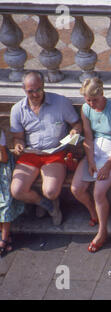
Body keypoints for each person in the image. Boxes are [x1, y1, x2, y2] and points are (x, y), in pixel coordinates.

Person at [10, 71, 81, 226]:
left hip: (54, 153)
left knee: (51, 191)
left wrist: (75, 131)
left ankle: (49, 200)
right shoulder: (17, 109)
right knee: (17, 191)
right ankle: (45, 204)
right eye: (31, 91)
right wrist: (18, 144)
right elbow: (18, 137)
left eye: (38, 90)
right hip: (31, 153)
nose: (35, 94)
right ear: (24, 89)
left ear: (43, 86)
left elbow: (77, 124)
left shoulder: (60, 102)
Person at [70, 77, 111, 253]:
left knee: (99, 192)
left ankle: (102, 231)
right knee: (76, 188)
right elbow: (88, 136)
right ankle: (94, 212)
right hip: (95, 150)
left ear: (102, 94)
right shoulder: (86, 109)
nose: (92, 104)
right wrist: (91, 160)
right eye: (88, 100)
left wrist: (108, 164)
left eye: (95, 99)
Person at [0, 128, 24, 256]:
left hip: (3, 167)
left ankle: (4, 237)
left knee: (4, 200)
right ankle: (4, 235)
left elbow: (3, 158)